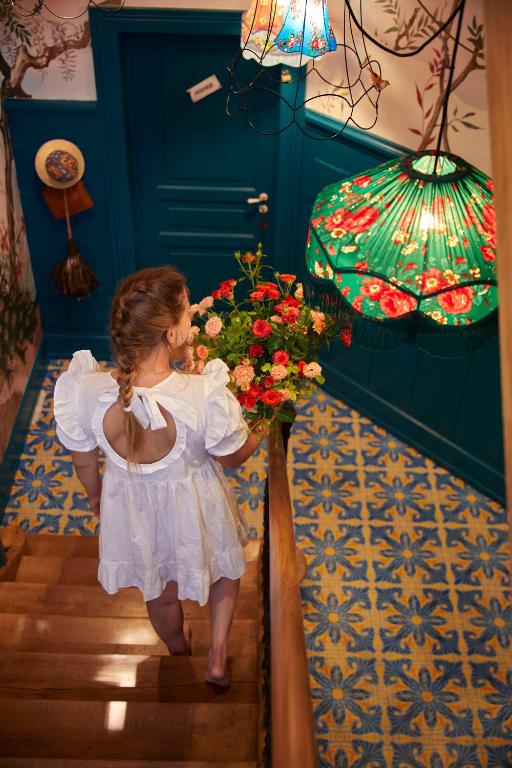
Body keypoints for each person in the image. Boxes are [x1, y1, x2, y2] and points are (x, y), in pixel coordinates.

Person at [53, 266, 268, 689]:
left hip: (132, 513)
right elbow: (231, 458)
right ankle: (219, 656)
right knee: (225, 568)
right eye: (188, 314)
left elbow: (82, 458)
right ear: (171, 335)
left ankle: (179, 651)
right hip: (194, 504)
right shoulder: (203, 392)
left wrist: (96, 496)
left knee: (158, 590)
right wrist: (260, 426)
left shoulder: (83, 389)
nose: (192, 321)